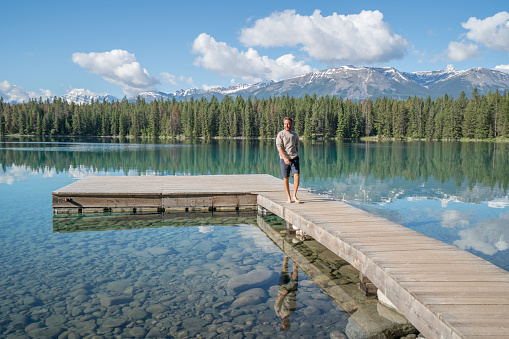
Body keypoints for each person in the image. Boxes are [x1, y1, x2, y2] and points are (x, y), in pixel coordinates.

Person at [276, 117, 300, 203]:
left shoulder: (295, 135)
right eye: (285, 123)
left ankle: (294, 196)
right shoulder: (280, 134)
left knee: (296, 176)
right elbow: (279, 148)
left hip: (294, 158)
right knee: (286, 178)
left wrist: (296, 153)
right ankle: (288, 197)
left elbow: (296, 145)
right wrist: (285, 158)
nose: (287, 125)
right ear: (283, 124)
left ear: (291, 124)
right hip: (284, 159)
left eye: (288, 123)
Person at [274, 256, 298, 331]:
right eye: (286, 324)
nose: (284, 323)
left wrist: (283, 294)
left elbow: (277, 302)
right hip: (291, 290)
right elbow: (294, 299)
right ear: (289, 323)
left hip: (282, 289)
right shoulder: (292, 311)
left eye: (283, 324)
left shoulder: (278, 313)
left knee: (284, 269)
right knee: (295, 275)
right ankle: (295, 258)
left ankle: (286, 256)